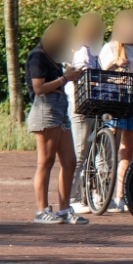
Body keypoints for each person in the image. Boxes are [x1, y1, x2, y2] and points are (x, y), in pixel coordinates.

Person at [26, 19, 87, 225]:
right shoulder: (38, 56)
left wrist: (71, 75)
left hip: (60, 108)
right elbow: (39, 88)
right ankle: (41, 210)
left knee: (69, 161)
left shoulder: (53, 58)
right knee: (46, 160)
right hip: (46, 108)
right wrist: (64, 79)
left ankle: (63, 210)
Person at [99, 9, 133, 213]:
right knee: (110, 148)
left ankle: (119, 197)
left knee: (127, 151)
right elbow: (101, 75)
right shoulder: (111, 48)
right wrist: (116, 65)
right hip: (115, 99)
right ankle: (101, 191)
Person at [66, 12, 105, 215]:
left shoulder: (92, 54)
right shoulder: (80, 53)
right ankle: (71, 199)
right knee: (80, 154)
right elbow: (79, 79)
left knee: (92, 153)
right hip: (80, 108)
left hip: (91, 107)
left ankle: (87, 194)